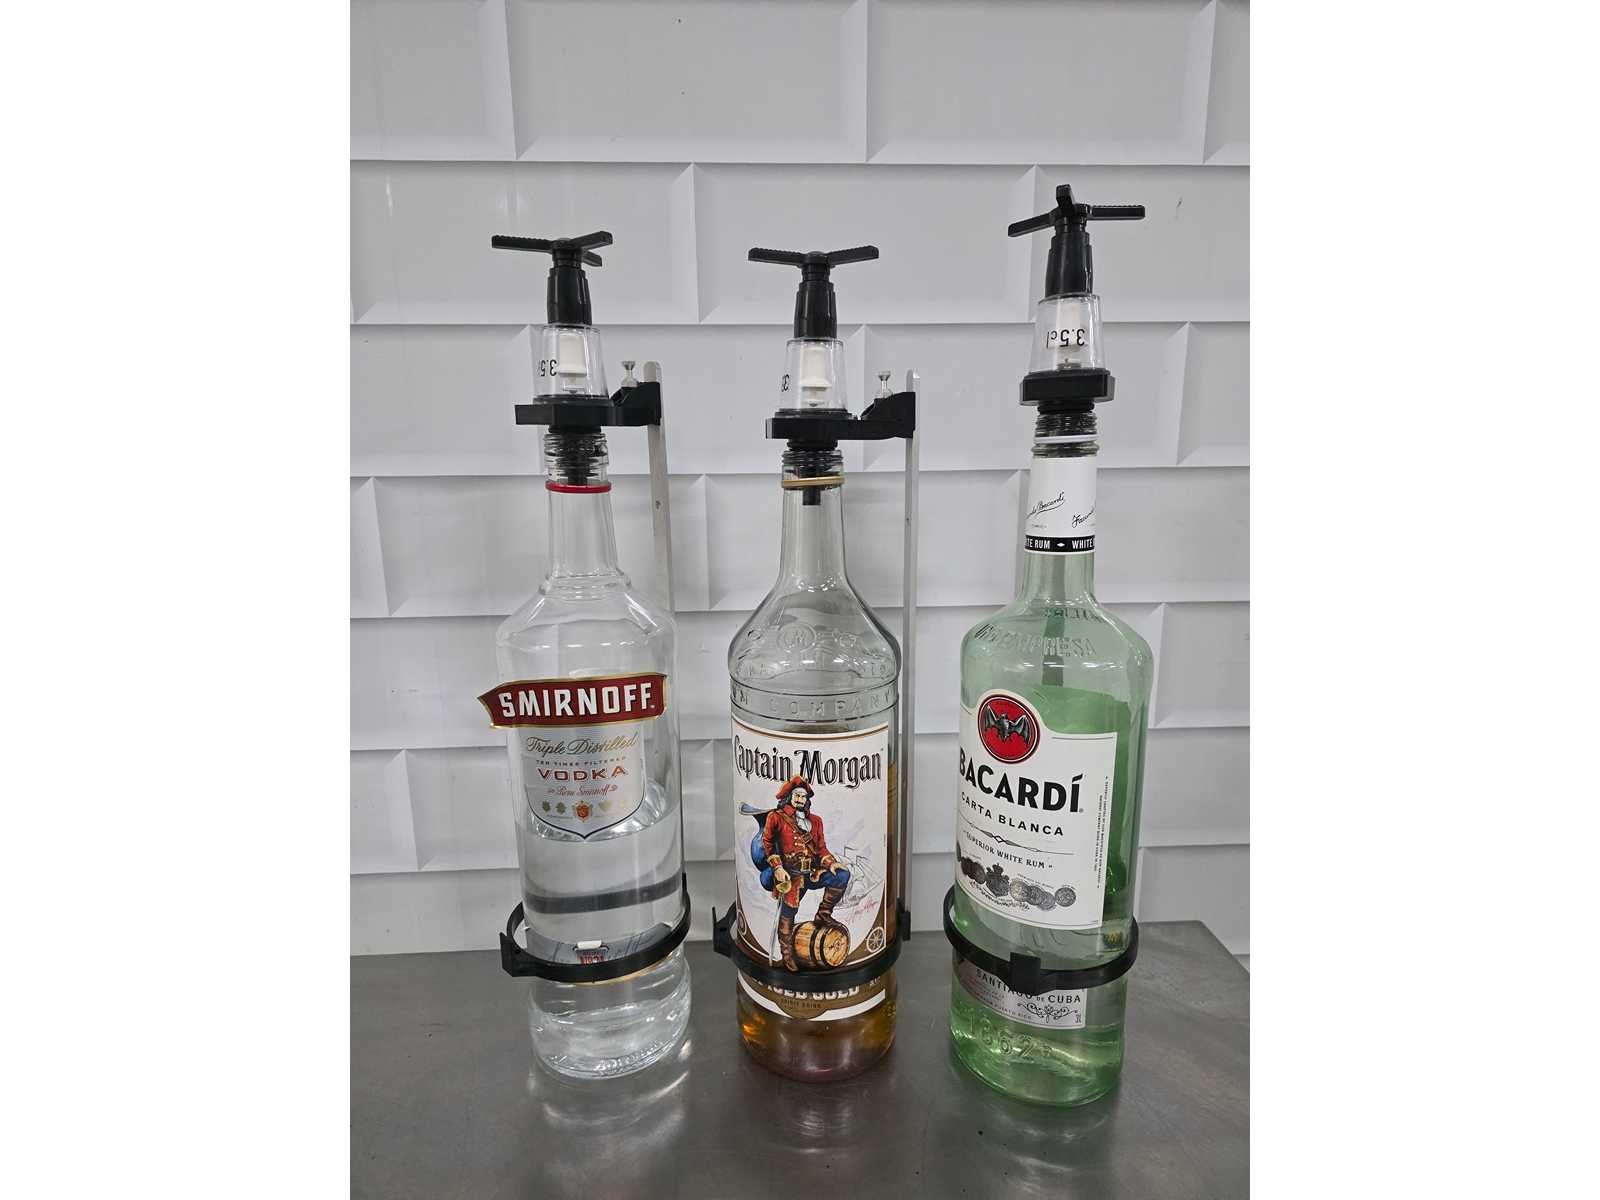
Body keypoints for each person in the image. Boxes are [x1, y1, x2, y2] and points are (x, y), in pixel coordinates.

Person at [758, 775, 851, 971]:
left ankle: (823, 914)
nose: (800, 799)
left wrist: (831, 863)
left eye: (803, 796)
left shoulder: (815, 821)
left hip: (812, 872)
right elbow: (767, 844)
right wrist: (778, 868)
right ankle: (786, 953)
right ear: (789, 797)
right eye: (797, 796)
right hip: (790, 875)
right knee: (788, 913)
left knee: (842, 876)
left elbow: (821, 848)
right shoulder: (776, 817)